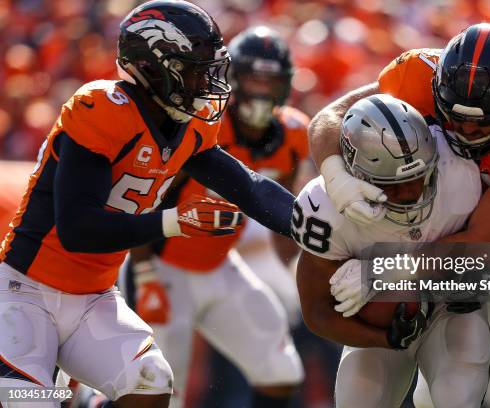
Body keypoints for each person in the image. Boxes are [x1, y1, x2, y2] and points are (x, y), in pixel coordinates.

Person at [0, 2, 296, 408]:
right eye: (193, 69)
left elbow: (246, 185)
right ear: (153, 66)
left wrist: (307, 222)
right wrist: (176, 221)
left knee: (151, 382)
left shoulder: (189, 123)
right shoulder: (102, 108)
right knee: (28, 401)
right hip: (26, 291)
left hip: (95, 297)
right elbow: (77, 229)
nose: (205, 80)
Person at [307, 23, 490, 408]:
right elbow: (332, 117)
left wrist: (380, 271)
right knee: (429, 398)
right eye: (454, 116)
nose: (466, 129)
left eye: (481, 122)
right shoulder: (416, 75)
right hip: (431, 242)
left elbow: (481, 242)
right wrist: (335, 177)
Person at [127, 26, 308, 408]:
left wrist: (297, 272)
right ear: (233, 78)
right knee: (157, 392)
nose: (260, 88)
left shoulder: (293, 134)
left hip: (220, 264)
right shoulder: (204, 124)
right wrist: (143, 274)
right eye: (253, 77)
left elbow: (281, 217)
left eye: (270, 78)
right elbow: (143, 199)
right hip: (162, 266)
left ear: (285, 84)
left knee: (281, 371)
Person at [295, 94, 490, 408]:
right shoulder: (326, 210)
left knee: (457, 398)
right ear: (355, 175)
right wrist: (385, 338)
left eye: (418, 178)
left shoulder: (461, 168)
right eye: (392, 185)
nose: (411, 194)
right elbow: (317, 311)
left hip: (450, 306)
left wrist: (386, 271)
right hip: (381, 324)